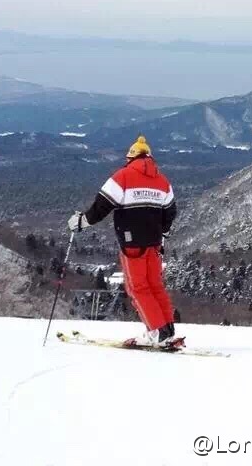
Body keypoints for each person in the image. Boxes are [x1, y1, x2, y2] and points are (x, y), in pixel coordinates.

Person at [67, 135, 178, 345]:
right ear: (150, 158)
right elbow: (171, 212)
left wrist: (82, 222)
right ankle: (167, 330)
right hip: (154, 243)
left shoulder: (123, 176)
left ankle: (156, 332)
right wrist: (162, 233)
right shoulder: (162, 181)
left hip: (132, 243)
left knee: (138, 288)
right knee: (155, 286)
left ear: (130, 158)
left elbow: (101, 206)